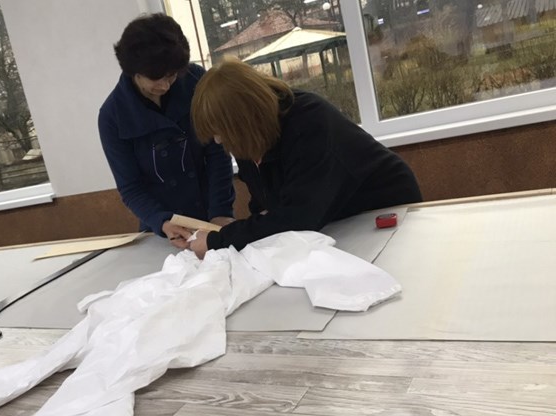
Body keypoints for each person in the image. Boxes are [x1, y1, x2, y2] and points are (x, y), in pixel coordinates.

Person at [189, 57, 422, 258]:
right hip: (334, 218)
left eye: (222, 131)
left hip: (382, 209)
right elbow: (266, 205)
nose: (218, 140)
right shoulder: (246, 139)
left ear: (244, 120)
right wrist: (245, 230)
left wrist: (218, 241)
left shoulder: (309, 122)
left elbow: (297, 218)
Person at [98, 14, 235, 248]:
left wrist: (220, 212)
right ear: (133, 71)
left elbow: (217, 153)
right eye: (155, 78)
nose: (164, 85)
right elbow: (131, 188)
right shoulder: (113, 116)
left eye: (171, 75)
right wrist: (162, 222)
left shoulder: (195, 80)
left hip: (211, 215)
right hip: (162, 230)